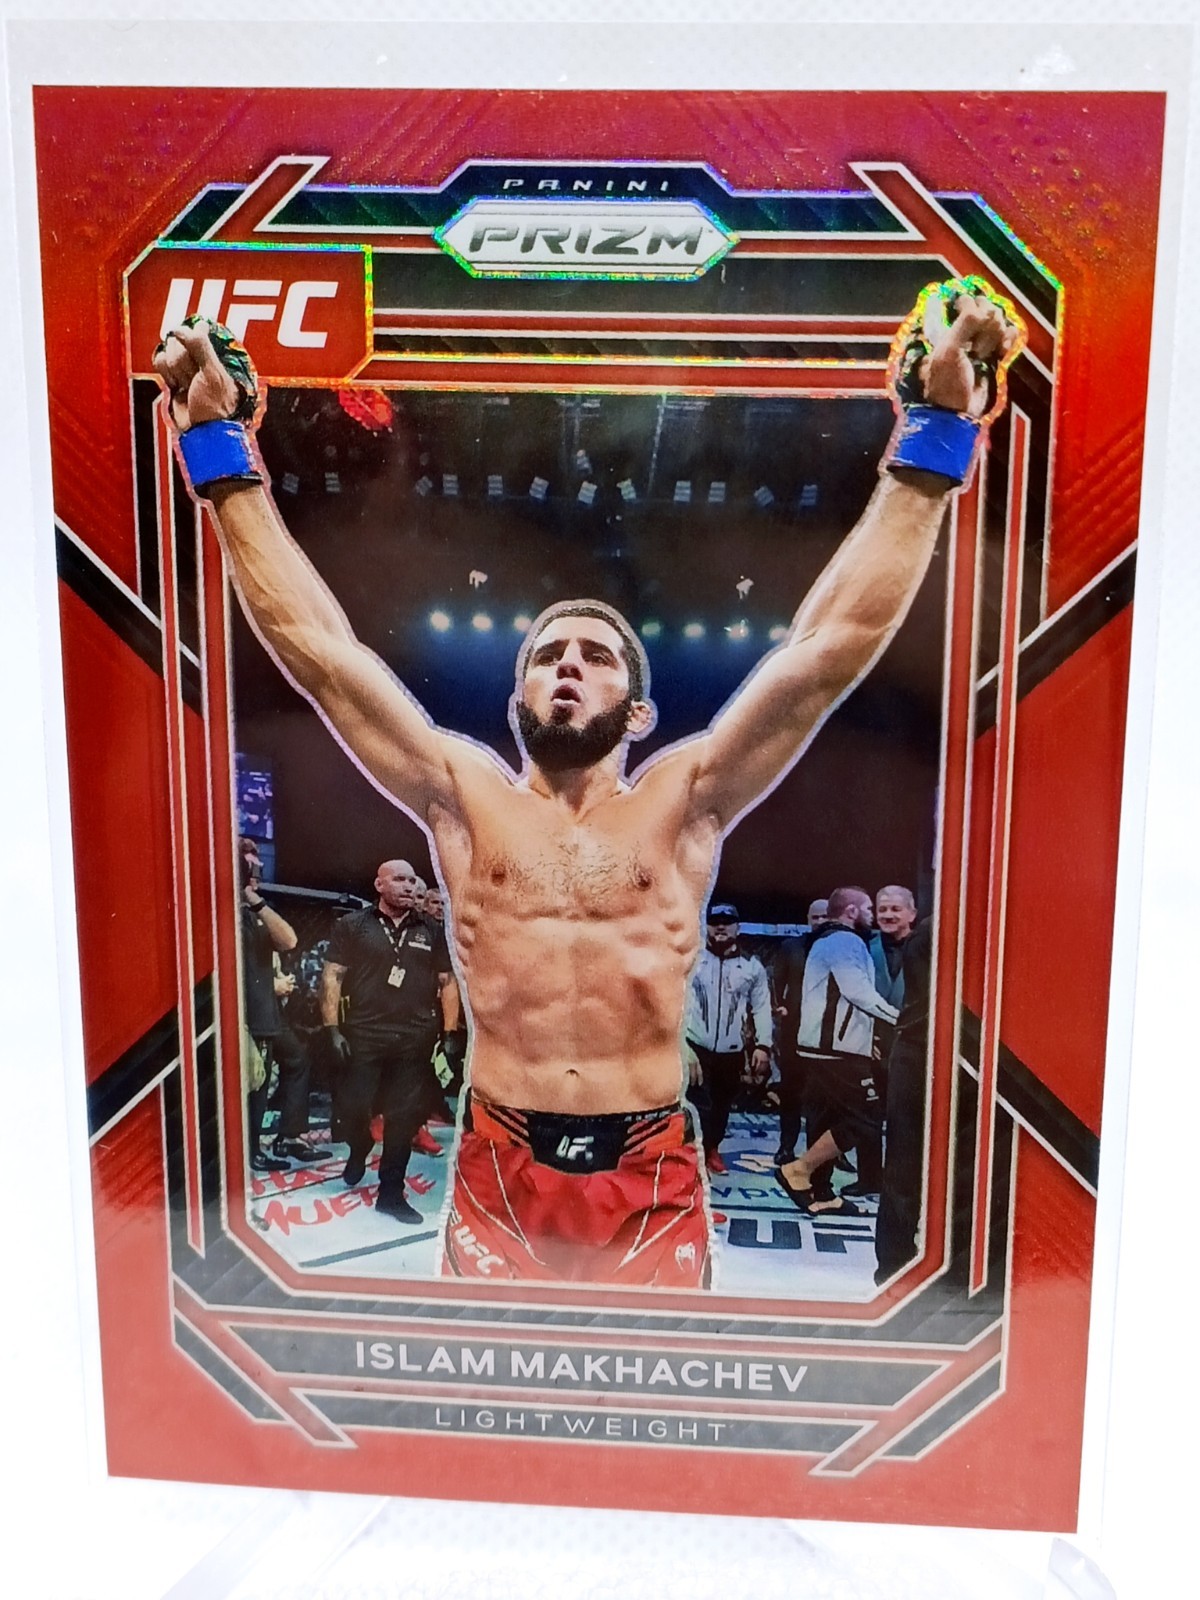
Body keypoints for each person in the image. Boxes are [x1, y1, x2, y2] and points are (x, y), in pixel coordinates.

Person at [152, 278, 1020, 1285]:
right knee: (485, 1393)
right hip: (499, 1162)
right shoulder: (462, 794)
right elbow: (323, 655)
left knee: (657, 1390)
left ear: (639, 713)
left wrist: (935, 434)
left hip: (647, 1170)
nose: (568, 663)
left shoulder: (685, 799)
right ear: (515, 696)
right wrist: (217, 446)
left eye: (597, 655)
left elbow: (824, 652)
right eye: (547, 655)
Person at [320, 859, 456, 1222]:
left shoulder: (431, 929)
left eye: (412, 880)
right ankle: (360, 1144)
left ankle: (391, 1193)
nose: (409, 886)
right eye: (399, 879)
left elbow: (447, 982)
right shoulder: (353, 925)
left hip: (413, 1036)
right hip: (364, 1033)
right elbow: (332, 976)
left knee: (403, 1116)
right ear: (379, 885)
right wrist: (332, 1028)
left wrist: (449, 1033)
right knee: (353, 1106)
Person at [777, 886, 900, 1215]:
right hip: (838, 1052)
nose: (873, 915)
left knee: (824, 1121)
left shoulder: (826, 941)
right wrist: (900, 1020)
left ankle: (821, 1193)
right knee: (867, 1119)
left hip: (823, 1048)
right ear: (851, 912)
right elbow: (857, 992)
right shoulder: (845, 941)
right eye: (869, 908)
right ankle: (799, 1169)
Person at [684, 903, 773, 1174]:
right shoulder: (691, 958)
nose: (720, 926)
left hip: (731, 1050)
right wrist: (681, 1045)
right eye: (714, 921)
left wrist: (763, 1045)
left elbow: (762, 1007)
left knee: (721, 1105)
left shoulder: (752, 966)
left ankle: (712, 1148)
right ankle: (695, 1155)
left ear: (738, 927)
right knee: (697, 1105)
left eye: (727, 921)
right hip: (696, 1045)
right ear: (706, 925)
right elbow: (672, 1001)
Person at [874, 914, 933, 1282]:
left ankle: (895, 1266)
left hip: (923, 1049)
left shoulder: (927, 933)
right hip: (920, 1050)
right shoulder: (931, 934)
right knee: (904, 1167)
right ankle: (894, 1267)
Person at [238, 836, 298, 1173]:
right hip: (239, 1014)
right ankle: (244, 1151)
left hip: (260, 1016)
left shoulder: (254, 914)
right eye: (250, 868)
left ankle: (252, 1150)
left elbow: (289, 940)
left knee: (258, 1086)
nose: (257, 875)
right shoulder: (220, 913)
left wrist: (253, 899)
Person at [771, 897, 829, 1166]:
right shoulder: (791, 947)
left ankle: (826, 1152)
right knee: (791, 1092)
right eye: (815, 917)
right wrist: (778, 1007)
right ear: (808, 919)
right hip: (794, 1031)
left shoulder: (841, 949)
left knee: (826, 1095)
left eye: (825, 917)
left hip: (828, 1034)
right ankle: (786, 1147)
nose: (820, 922)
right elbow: (775, 981)